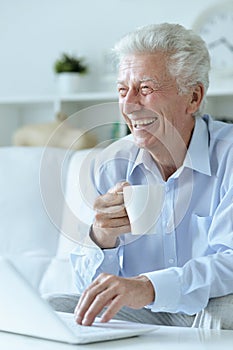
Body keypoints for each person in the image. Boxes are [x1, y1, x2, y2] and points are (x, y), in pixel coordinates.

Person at [48, 23, 233, 329]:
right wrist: (102, 238)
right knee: (56, 309)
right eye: (123, 90)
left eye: (145, 89)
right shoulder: (108, 165)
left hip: (210, 307)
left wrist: (149, 287)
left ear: (194, 97)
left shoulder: (228, 156)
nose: (129, 104)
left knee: (226, 309)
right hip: (145, 312)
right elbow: (90, 290)